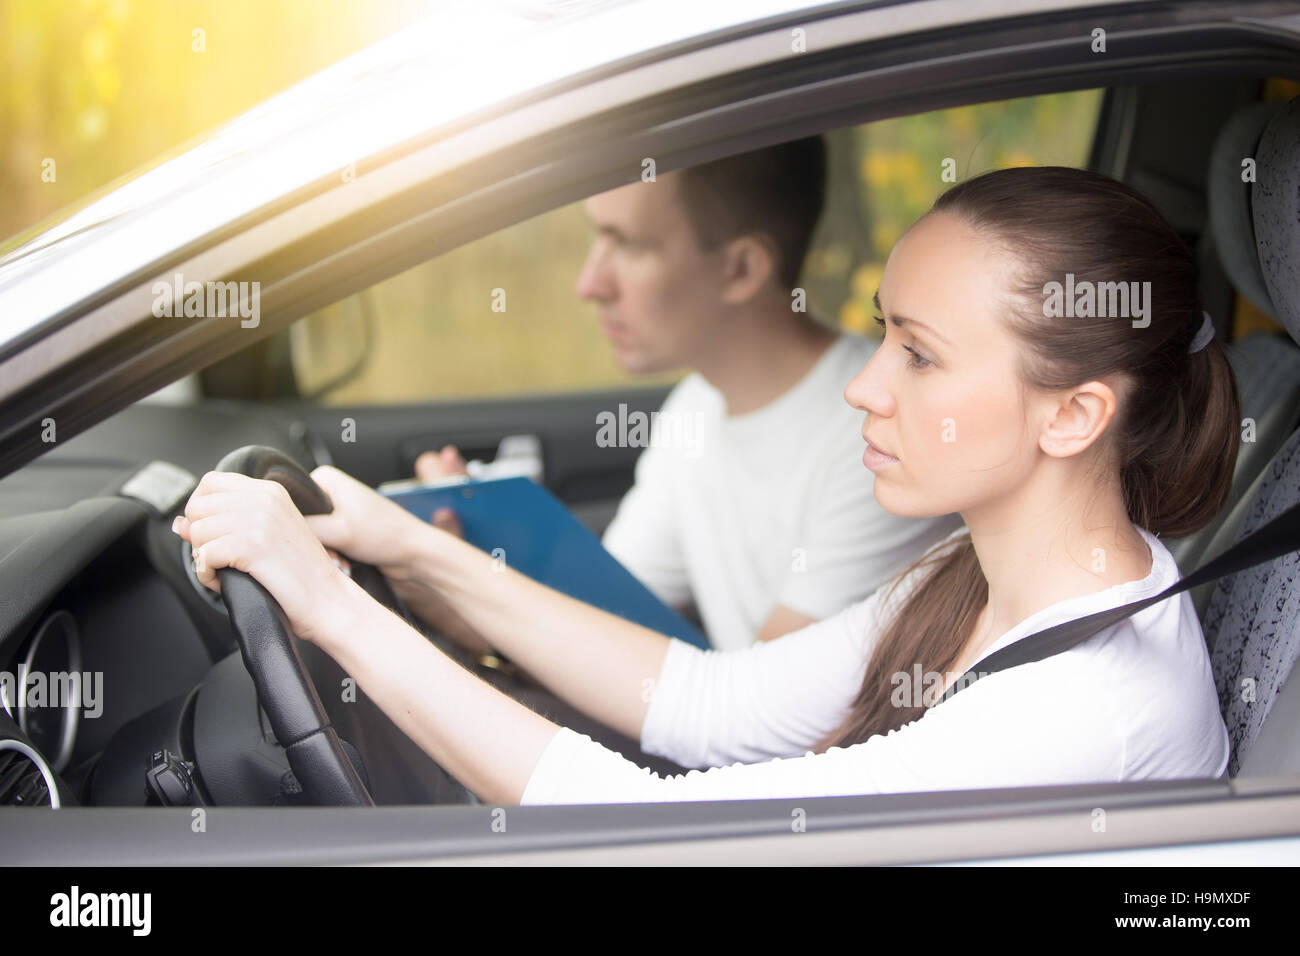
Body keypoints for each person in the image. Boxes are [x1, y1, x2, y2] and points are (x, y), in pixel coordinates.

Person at [174, 165, 1236, 805]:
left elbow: (631, 835)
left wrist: (327, 608)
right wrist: (406, 546)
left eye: (918, 354)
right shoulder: (969, 574)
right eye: (879, 334)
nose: (864, 385)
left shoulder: (1084, 709)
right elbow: (706, 702)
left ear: (1073, 413)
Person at [414, 137, 961, 651]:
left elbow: (768, 716)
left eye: (628, 244)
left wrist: (474, 590)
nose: (590, 283)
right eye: (596, 237)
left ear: (741, 268)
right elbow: (598, 625)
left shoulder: (874, 440)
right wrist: (459, 572)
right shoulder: (694, 408)